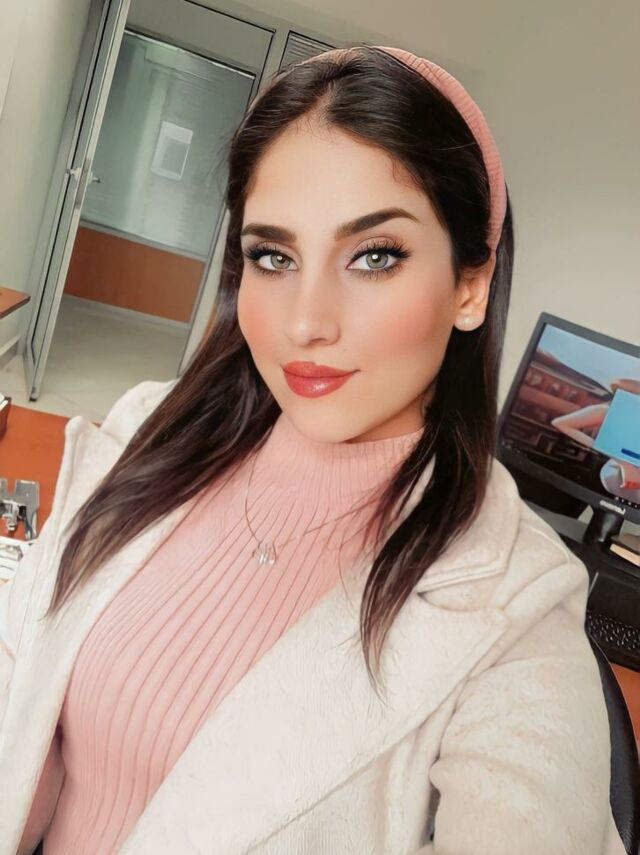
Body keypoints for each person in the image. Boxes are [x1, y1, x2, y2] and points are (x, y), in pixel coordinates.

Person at [0, 43, 628, 855]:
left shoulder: (516, 607)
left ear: (470, 285)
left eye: (374, 256)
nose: (305, 322)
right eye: (274, 256)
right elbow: (20, 660)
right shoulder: (148, 432)